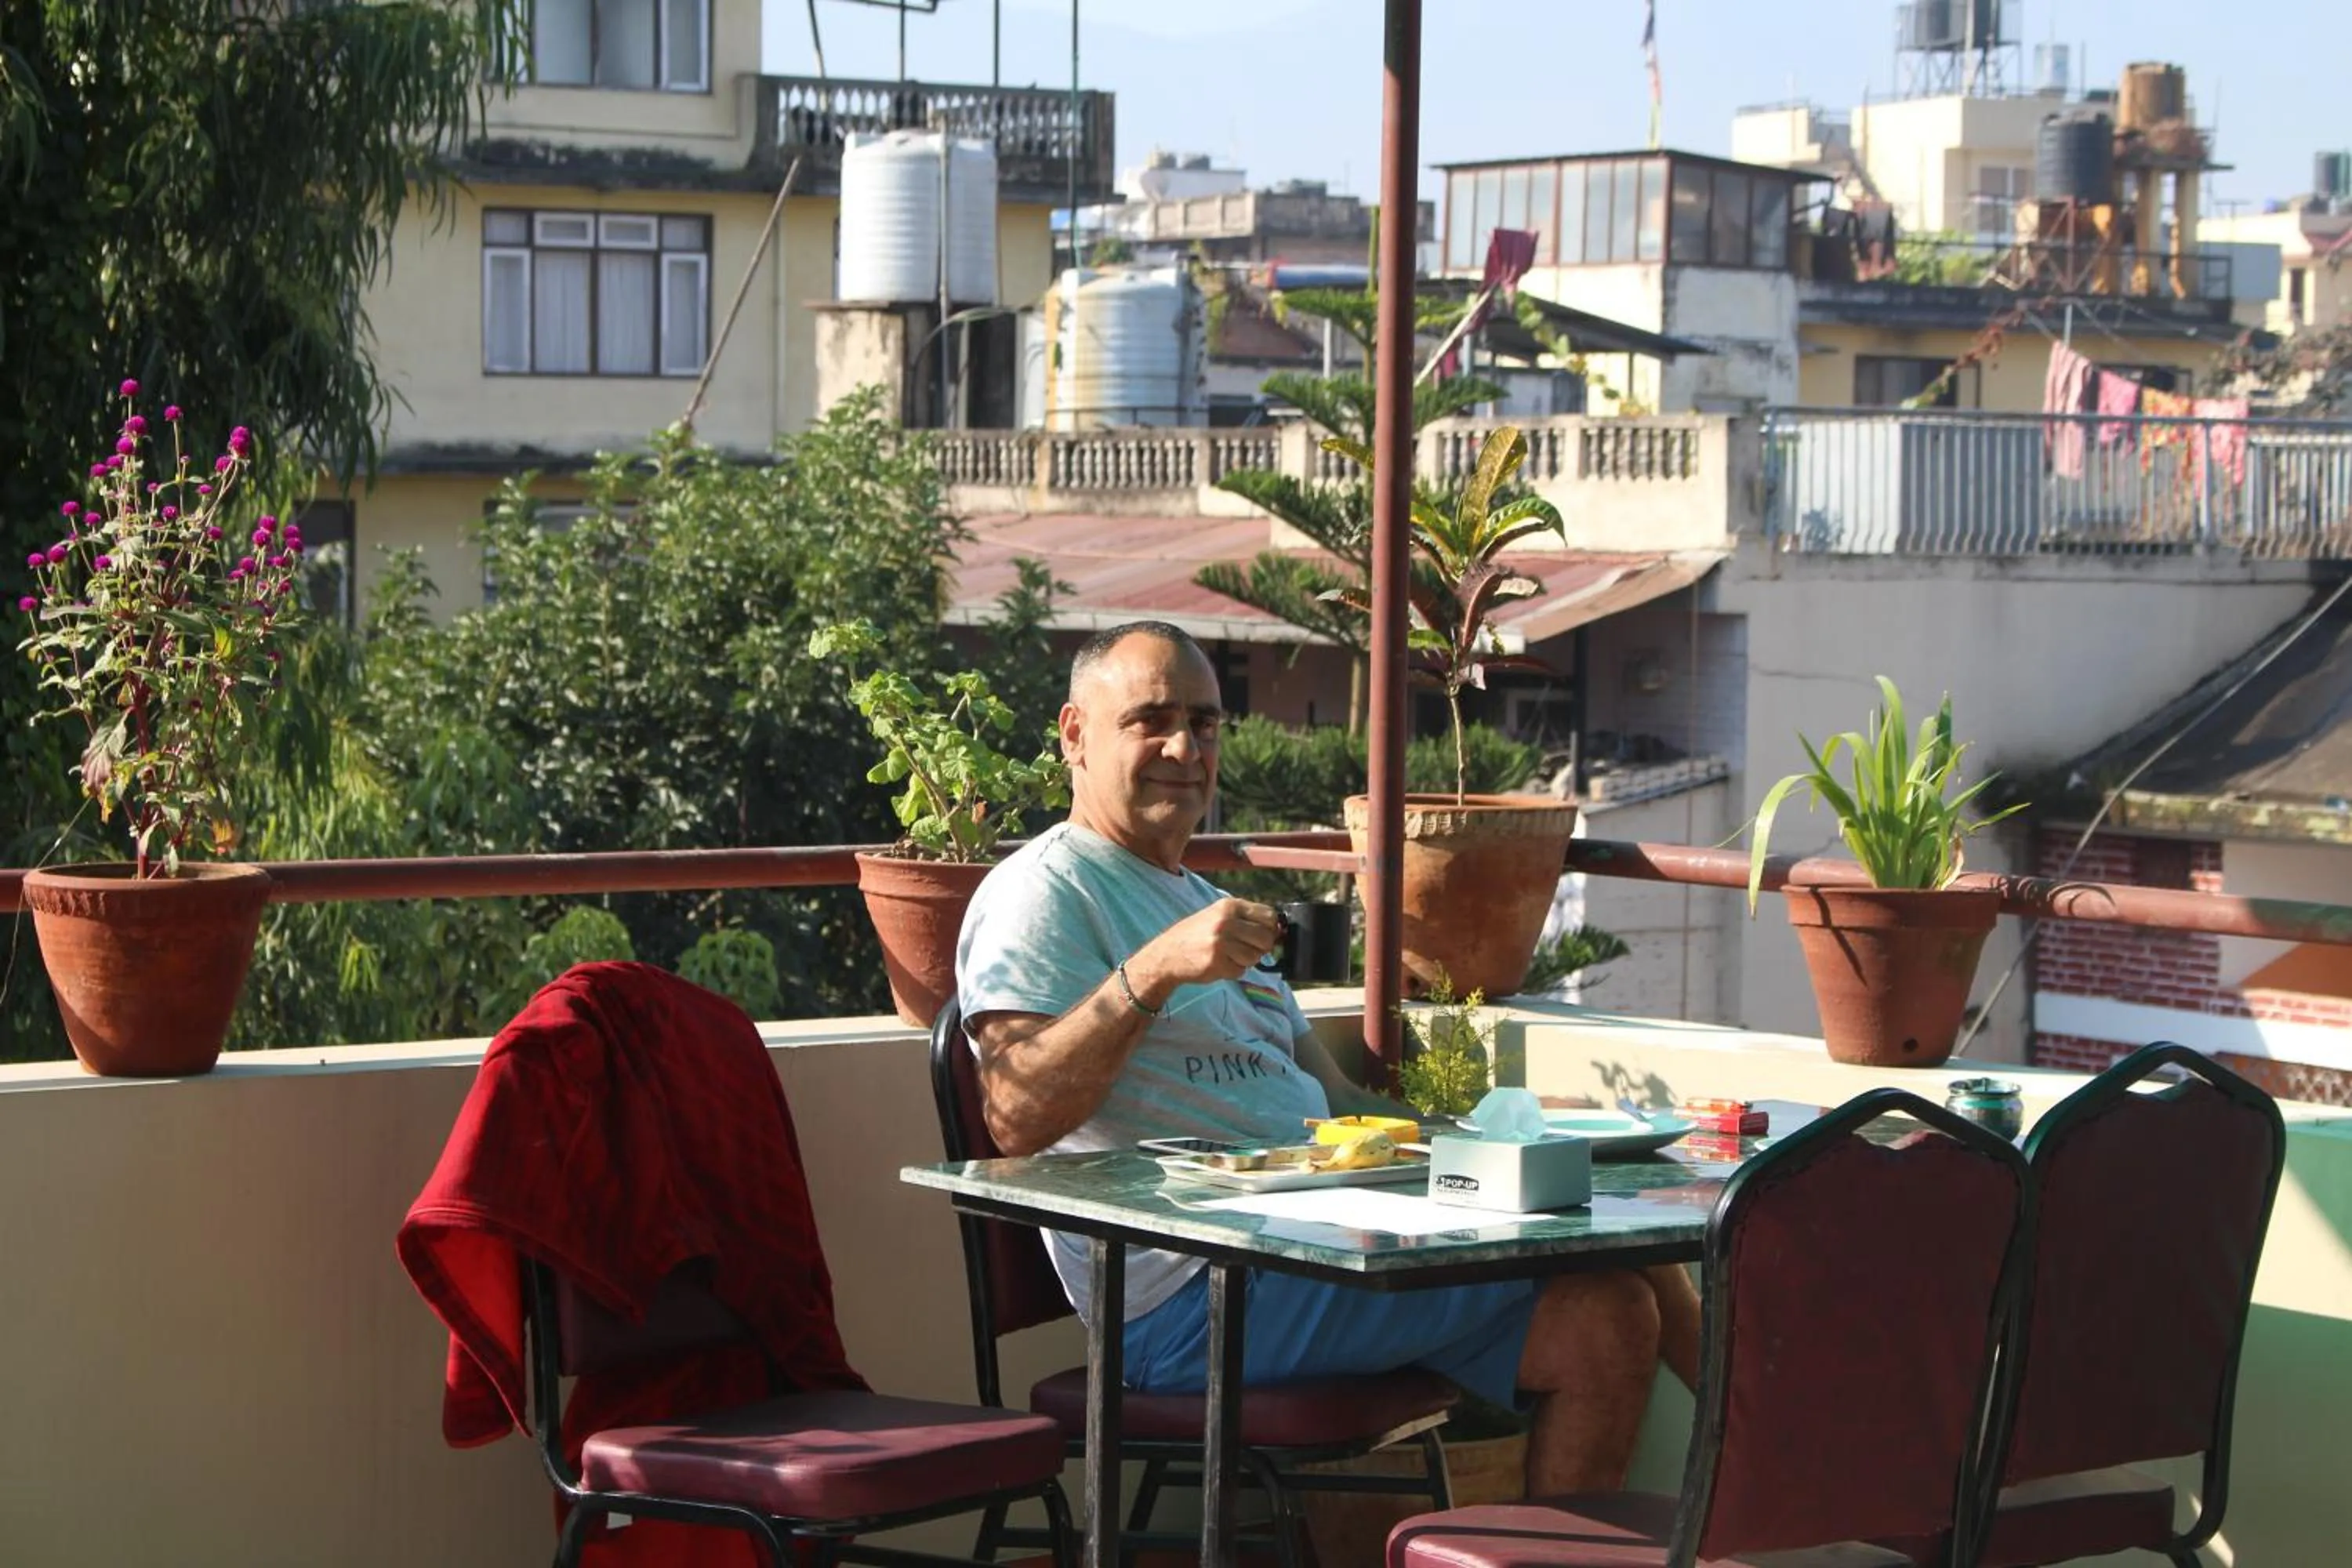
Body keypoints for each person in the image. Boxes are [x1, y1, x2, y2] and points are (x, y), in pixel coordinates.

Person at [954, 620, 1700, 1494]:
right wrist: (1155, 967)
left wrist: (1491, 1140)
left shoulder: (1211, 902)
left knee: (1603, 1299)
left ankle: (1754, 1441)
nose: (1184, 747)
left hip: (1313, 1244)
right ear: (1075, 733)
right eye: (1150, 719)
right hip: (1192, 1296)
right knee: (1604, 1276)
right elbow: (1013, 1117)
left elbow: (1336, 1098)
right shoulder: (1044, 892)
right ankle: (1769, 1440)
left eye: (1205, 721)